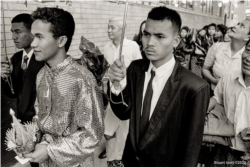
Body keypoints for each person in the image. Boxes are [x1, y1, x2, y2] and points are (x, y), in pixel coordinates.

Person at [108, 6, 210, 166]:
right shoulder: (135, 69)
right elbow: (123, 112)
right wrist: (115, 85)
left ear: (176, 41)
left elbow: (190, 148)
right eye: (146, 34)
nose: (150, 42)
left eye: (160, 36)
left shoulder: (194, 87)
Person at [22, 7, 104, 167]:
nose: (33, 44)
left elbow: (92, 135)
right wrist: (30, 138)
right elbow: (40, 116)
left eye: (39, 37)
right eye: (33, 37)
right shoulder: (42, 74)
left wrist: (50, 150)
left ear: (61, 41)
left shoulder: (82, 79)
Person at [0, 14, 44, 167]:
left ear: (32, 32)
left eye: (18, 32)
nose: (13, 37)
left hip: (40, 124)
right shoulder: (16, 58)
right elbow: (12, 93)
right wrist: (5, 77)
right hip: (22, 121)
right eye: (12, 32)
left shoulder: (43, 59)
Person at [202, 42, 250, 167]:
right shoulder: (229, 77)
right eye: (248, 50)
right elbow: (218, 98)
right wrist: (198, 112)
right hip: (223, 147)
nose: (248, 58)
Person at [104, 17, 142, 167]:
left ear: (122, 30)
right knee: (108, 132)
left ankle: (118, 159)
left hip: (128, 96)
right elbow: (106, 69)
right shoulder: (107, 46)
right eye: (108, 27)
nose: (108, 30)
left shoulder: (132, 46)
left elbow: (140, 69)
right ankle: (110, 159)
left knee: (124, 131)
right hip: (113, 95)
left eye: (112, 27)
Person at [202, 20, 249, 92]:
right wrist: (213, 80)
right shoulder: (217, 47)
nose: (235, 26)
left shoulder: (247, 57)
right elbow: (205, 68)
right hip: (213, 92)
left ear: (247, 37)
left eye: (242, 26)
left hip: (236, 98)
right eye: (238, 24)